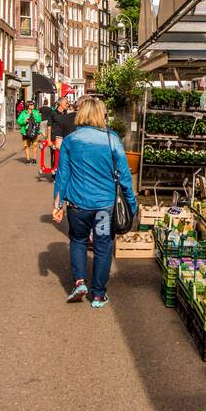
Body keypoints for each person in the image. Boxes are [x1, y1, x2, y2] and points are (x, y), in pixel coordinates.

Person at [52, 96, 137, 309]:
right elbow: (125, 175)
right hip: (104, 207)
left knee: (79, 240)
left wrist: (57, 205)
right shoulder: (112, 139)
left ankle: (80, 282)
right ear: (101, 115)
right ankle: (98, 295)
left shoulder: (71, 140)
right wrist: (131, 203)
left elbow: (62, 175)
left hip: (77, 206)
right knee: (102, 246)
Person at [18, 101, 42, 165]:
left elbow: (39, 119)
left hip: (34, 131)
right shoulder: (23, 113)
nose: (33, 105)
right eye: (31, 104)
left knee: (35, 145)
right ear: (28, 106)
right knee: (27, 146)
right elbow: (19, 121)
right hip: (25, 132)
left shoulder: (35, 112)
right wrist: (24, 121)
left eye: (33, 104)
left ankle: (34, 159)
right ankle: (28, 159)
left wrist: (35, 117)